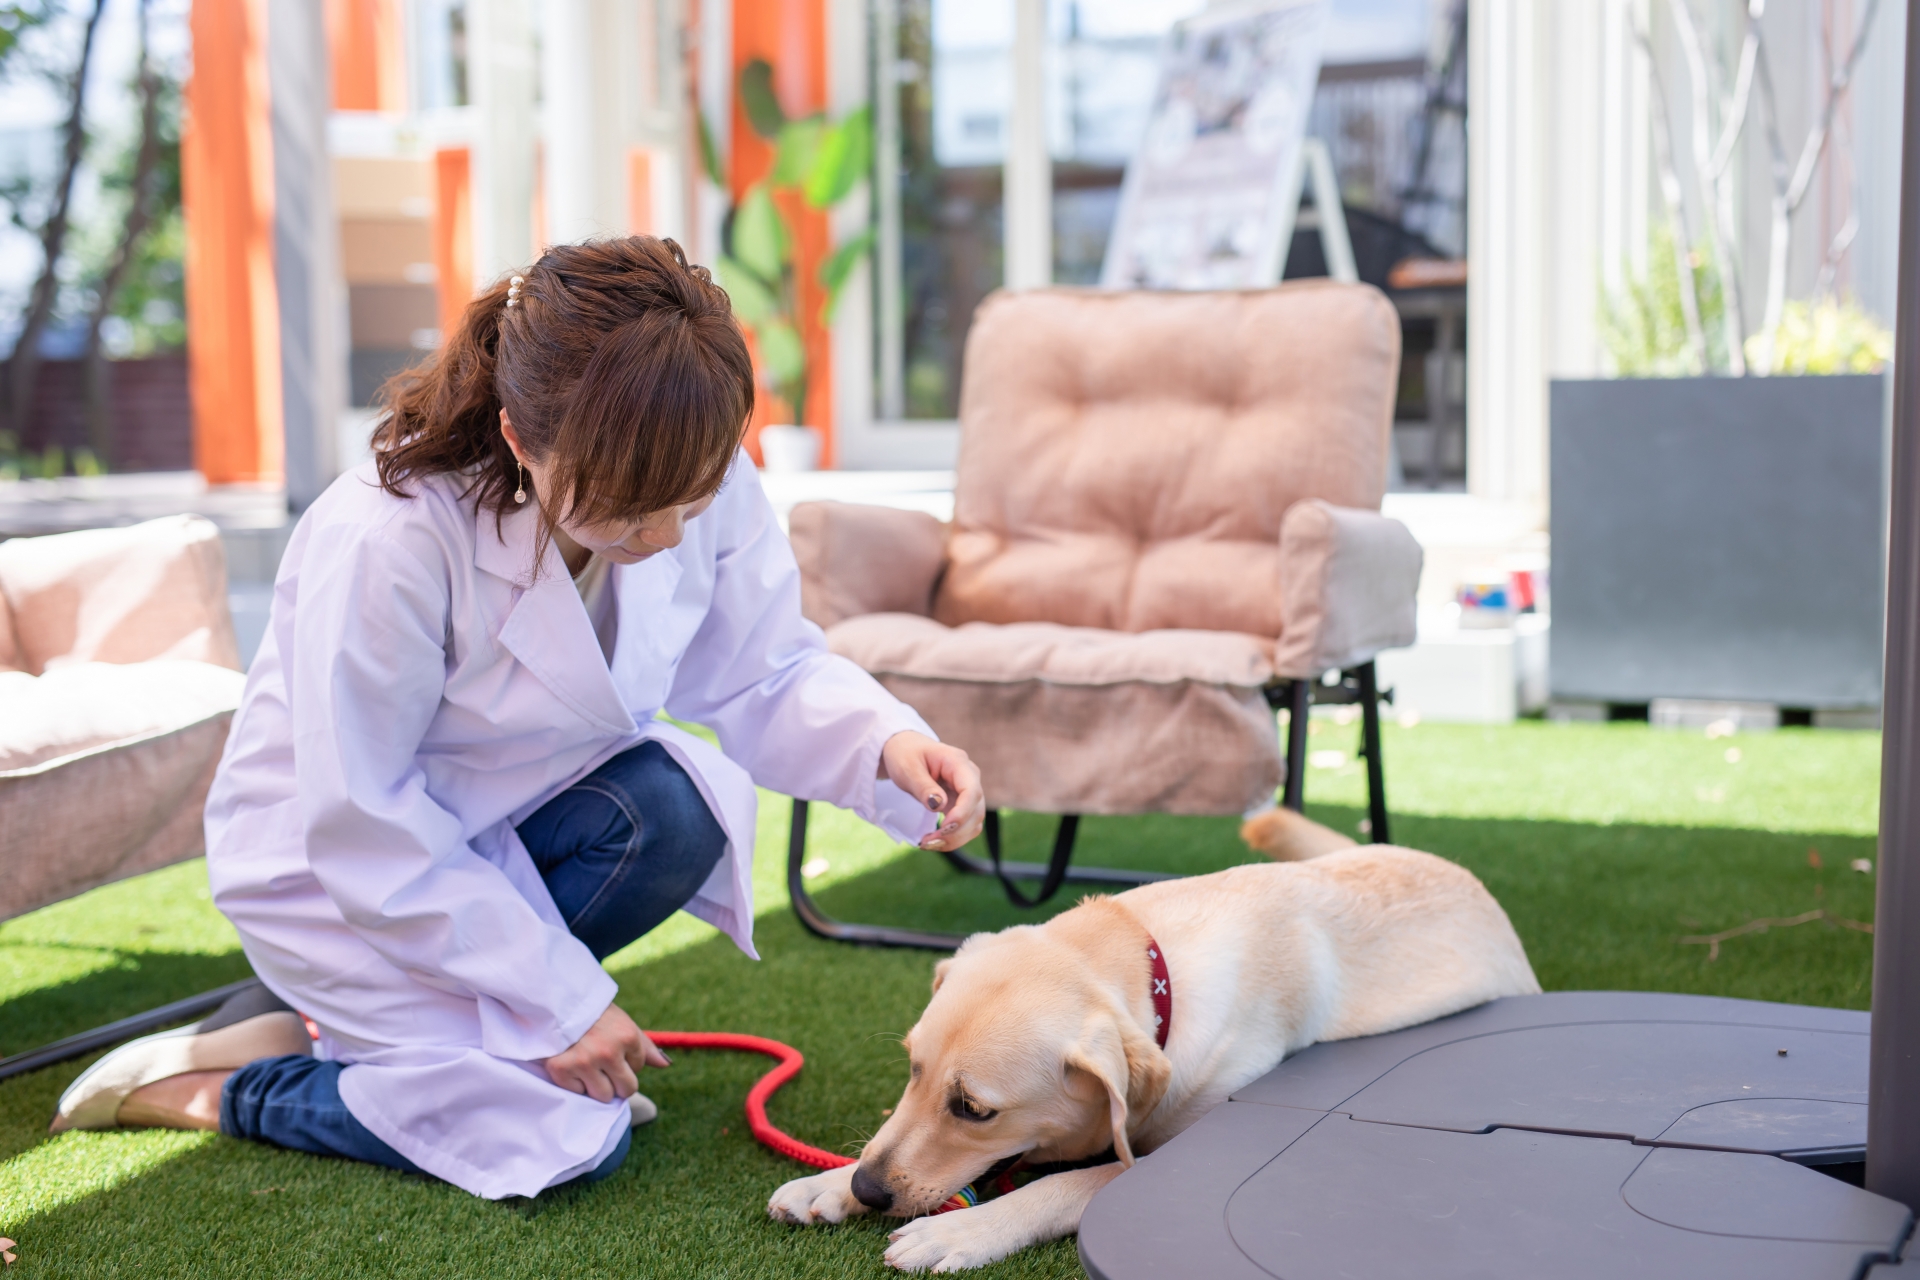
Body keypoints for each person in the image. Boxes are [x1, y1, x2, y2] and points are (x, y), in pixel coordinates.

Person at [50, 237, 985, 1199]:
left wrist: (888, 744)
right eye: (630, 507)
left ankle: (374, 1030)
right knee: (573, 1132)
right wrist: (561, 1001)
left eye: (689, 502)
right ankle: (233, 1084)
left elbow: (761, 664)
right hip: (339, 881)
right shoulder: (388, 537)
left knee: (674, 810)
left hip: (506, 836)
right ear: (516, 438)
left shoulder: (692, 461)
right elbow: (364, 820)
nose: (665, 536)